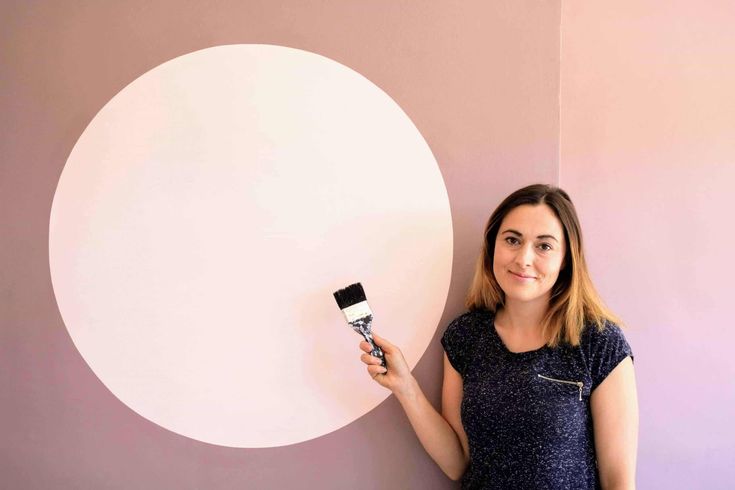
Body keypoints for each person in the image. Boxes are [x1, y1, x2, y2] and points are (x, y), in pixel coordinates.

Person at [358, 184, 638, 489]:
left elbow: (618, 481)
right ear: (493, 246)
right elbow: (456, 463)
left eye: (544, 246)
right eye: (512, 240)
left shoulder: (599, 343)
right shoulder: (465, 336)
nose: (523, 259)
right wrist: (405, 386)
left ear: (566, 259)